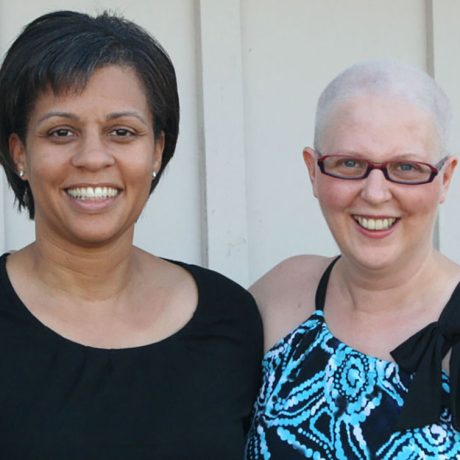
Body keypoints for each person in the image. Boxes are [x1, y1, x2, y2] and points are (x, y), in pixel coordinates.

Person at [0, 10, 262, 459]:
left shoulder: (231, 319)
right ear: (20, 151)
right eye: (61, 132)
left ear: (157, 149)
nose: (93, 157)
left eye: (121, 132)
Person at [245, 61, 460, 459]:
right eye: (349, 164)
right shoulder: (280, 297)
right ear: (313, 171)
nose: (375, 193)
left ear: (445, 178)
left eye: (406, 168)